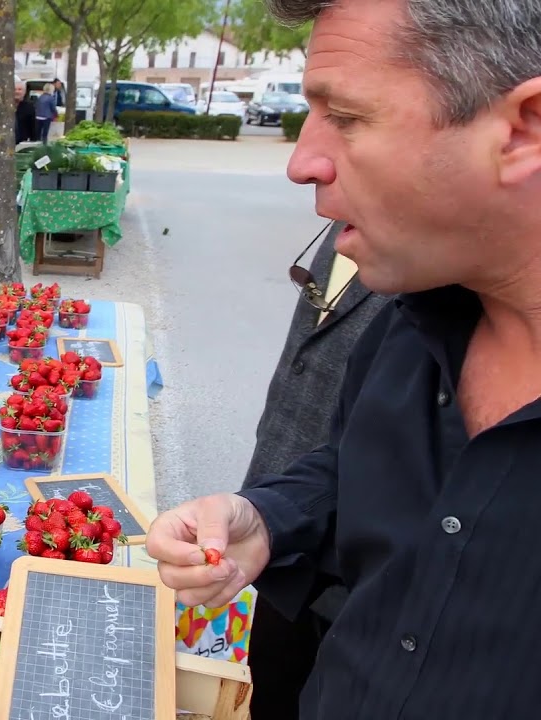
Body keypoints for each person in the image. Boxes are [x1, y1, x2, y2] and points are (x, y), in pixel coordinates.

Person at [148, 0, 541, 716]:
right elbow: (359, 468)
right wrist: (269, 518)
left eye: (349, 117)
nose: (301, 163)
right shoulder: (410, 321)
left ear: (524, 128)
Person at [242, 220, 388, 719]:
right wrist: (265, 509)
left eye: (350, 133)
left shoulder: (448, 270)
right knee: (272, 674)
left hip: (356, 563)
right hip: (284, 515)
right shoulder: (343, 217)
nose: (303, 167)